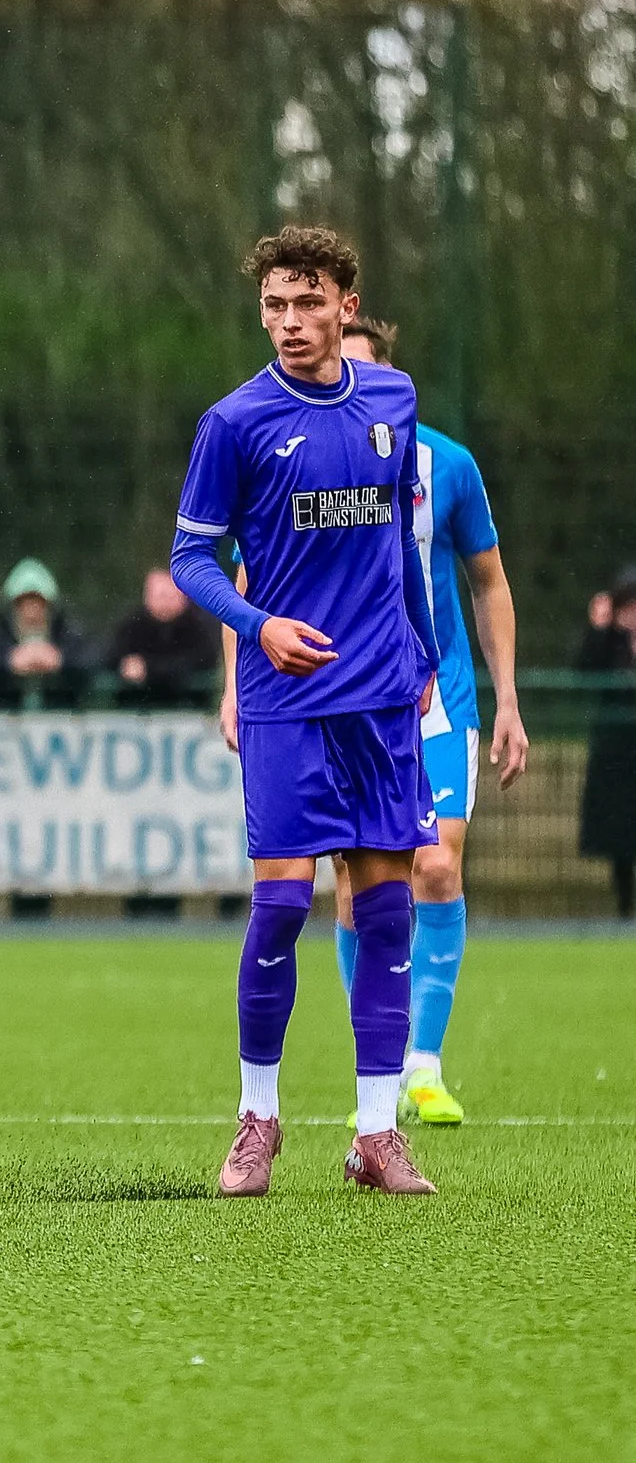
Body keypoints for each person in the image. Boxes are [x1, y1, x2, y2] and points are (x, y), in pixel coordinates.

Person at [168, 226, 442, 1198]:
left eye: (307, 302)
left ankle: (375, 1135)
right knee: (281, 903)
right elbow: (189, 560)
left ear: (345, 306)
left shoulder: (393, 400)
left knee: (388, 912)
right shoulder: (233, 423)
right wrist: (256, 628)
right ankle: (257, 1119)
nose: (289, 322)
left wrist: (426, 647)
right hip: (287, 698)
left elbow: (403, 540)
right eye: (274, 306)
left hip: (379, 693)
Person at [313, 318, 528, 1126]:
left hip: (436, 700)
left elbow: (490, 583)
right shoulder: (293, 458)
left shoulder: (448, 464)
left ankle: (423, 1065)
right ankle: (378, 1065)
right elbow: (248, 575)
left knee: (433, 867)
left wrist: (507, 698)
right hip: (339, 699)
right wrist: (238, 687)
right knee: (355, 883)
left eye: (358, 368)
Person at [579, 568, 636, 917]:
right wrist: (598, 629)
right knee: (620, 835)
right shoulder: (608, 642)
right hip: (616, 755)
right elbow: (585, 671)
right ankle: (624, 909)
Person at [0, 558, 91, 708]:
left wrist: (61, 660)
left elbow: (92, 660)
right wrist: (8, 661)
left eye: (38, 604)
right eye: (23, 604)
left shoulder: (68, 631)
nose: (31, 613)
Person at [106, 568, 220, 708]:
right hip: (135, 708)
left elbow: (196, 663)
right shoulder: (131, 625)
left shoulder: (200, 627)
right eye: (160, 595)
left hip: (188, 708)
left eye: (171, 595)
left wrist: (148, 669)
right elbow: (110, 658)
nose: (166, 602)